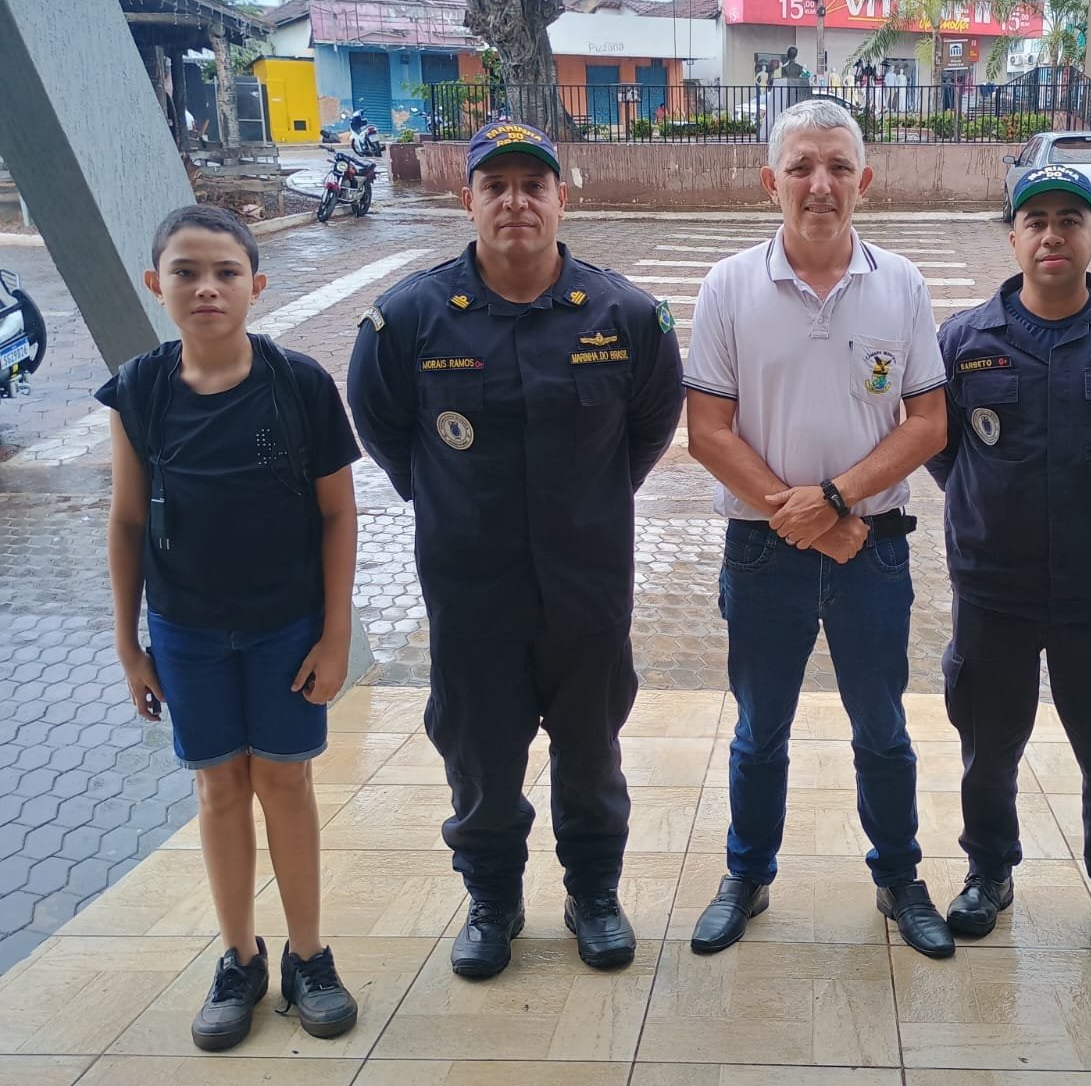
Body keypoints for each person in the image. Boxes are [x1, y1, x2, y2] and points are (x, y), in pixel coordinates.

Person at [347, 121, 684, 976]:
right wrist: (447, 503)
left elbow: (648, 429)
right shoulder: (411, 319)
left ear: (562, 197)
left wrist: (593, 501)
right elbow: (386, 429)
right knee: (480, 760)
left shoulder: (627, 315)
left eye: (533, 185)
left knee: (592, 755)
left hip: (587, 592)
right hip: (472, 596)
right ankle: (493, 902)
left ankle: (594, 895)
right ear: (468, 200)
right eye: (494, 185)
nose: (515, 202)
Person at [682, 99, 955, 958]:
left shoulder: (901, 284)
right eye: (801, 166)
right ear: (771, 181)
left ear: (864, 181)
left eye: (837, 166)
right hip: (764, 552)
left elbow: (927, 421)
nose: (820, 184)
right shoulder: (729, 285)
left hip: (871, 547)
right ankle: (748, 875)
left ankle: (900, 878)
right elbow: (709, 431)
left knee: (883, 726)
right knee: (760, 729)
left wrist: (835, 502)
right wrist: (799, 518)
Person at [103, 204, 361, 1050]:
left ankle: (309, 956)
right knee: (218, 787)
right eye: (186, 272)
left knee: (284, 783)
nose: (206, 288)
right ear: (157, 285)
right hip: (186, 631)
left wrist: (333, 635)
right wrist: (128, 643)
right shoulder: (138, 391)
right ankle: (238, 958)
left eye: (224, 273)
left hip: (286, 628)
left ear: (257, 284)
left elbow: (336, 515)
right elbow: (128, 522)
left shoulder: (299, 385)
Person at [927, 166, 1091, 950]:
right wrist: (988, 511)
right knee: (988, 746)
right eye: (1035, 220)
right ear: (1012, 236)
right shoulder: (965, 342)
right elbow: (942, 452)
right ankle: (987, 873)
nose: (1052, 235)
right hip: (993, 588)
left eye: (1069, 219)